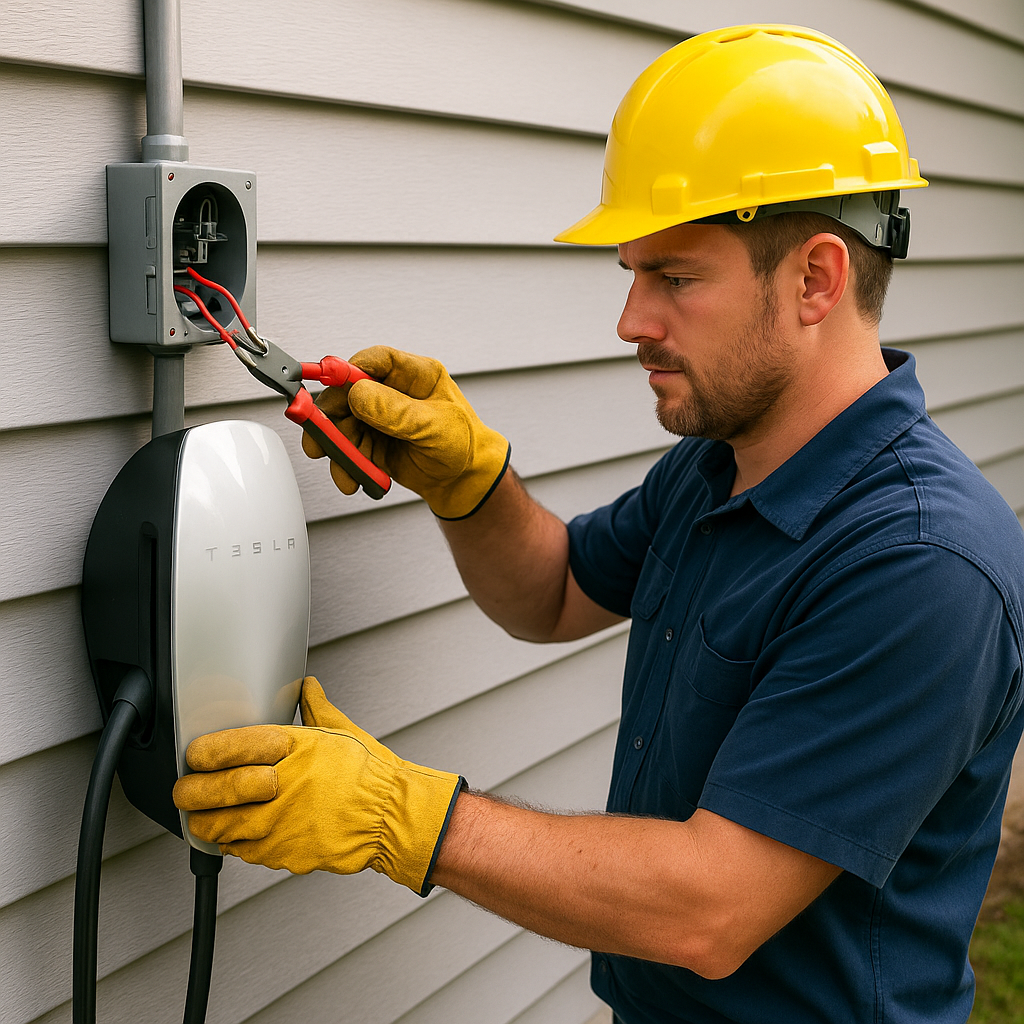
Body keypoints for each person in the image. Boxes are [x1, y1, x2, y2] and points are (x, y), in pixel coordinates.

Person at [173, 25, 1024, 1024]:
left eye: (673, 277)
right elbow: (555, 590)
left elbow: (709, 906)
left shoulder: (919, 565)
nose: (629, 320)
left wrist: (400, 814)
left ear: (816, 279)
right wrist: (471, 483)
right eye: (630, 273)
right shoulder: (719, 466)